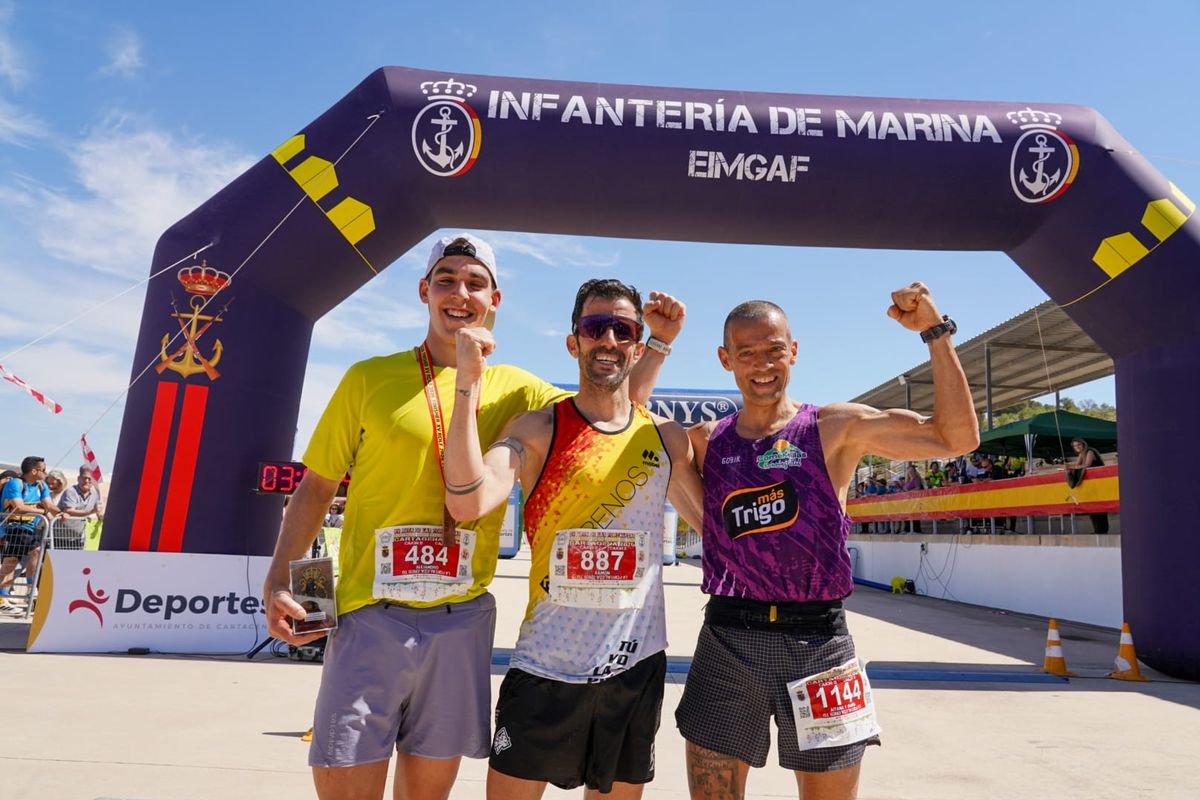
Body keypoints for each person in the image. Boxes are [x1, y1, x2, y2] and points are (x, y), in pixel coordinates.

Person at [260, 234, 684, 800]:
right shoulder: (367, 378)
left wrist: (656, 344)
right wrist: (280, 581)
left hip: (459, 621)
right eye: (447, 280)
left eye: (475, 283)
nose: (460, 293)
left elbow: (613, 407)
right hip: (369, 614)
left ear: (494, 300)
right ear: (424, 291)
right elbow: (316, 489)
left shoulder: (521, 390)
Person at [675, 283, 978, 800]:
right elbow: (628, 419)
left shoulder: (833, 427)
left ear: (793, 351)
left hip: (819, 641)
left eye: (774, 349)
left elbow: (957, 438)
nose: (762, 363)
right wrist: (657, 342)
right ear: (726, 360)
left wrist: (935, 332)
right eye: (747, 352)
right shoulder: (706, 440)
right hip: (728, 636)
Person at [443, 277, 704, 798]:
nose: (608, 339)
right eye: (595, 327)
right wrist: (466, 385)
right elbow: (466, 501)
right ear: (573, 342)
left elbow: (719, 536)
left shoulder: (664, 438)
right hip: (545, 666)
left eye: (622, 330)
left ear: (636, 345)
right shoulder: (538, 429)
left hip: (633, 668)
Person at [1, 456, 62, 614]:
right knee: (12, 562)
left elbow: (49, 505)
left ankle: (29, 589)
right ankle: (8, 596)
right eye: (43, 470)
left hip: (29, 529)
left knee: (23, 557)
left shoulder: (41, 485)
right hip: (13, 527)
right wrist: (43, 512)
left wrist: (62, 512)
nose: (46, 473)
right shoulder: (15, 483)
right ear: (34, 471)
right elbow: (19, 507)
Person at [1067, 437, 1109, 534]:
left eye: (1079, 445)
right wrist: (1070, 467)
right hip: (1091, 486)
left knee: (1099, 508)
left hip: (1098, 483)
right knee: (1092, 508)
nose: (1077, 447)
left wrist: (1072, 467)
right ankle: (1097, 530)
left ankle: (1101, 530)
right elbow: (1077, 465)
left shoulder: (1090, 451)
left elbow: (1087, 465)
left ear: (1083, 444)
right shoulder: (1081, 454)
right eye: (1075, 446)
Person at [56, 467, 104, 549]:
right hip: (60, 537)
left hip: (79, 538)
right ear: (78, 478)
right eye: (84, 478)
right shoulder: (70, 491)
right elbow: (69, 511)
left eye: (90, 479)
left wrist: (101, 516)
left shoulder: (95, 494)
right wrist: (92, 511)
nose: (87, 481)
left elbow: (99, 512)